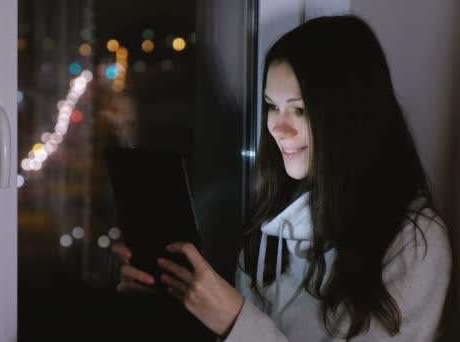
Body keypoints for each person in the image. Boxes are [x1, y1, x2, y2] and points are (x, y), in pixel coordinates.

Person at [112, 15, 452, 341]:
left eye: (300, 110)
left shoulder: (413, 243)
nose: (277, 126)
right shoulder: (272, 224)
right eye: (272, 106)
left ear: (351, 115)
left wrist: (234, 319)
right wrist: (174, 299)